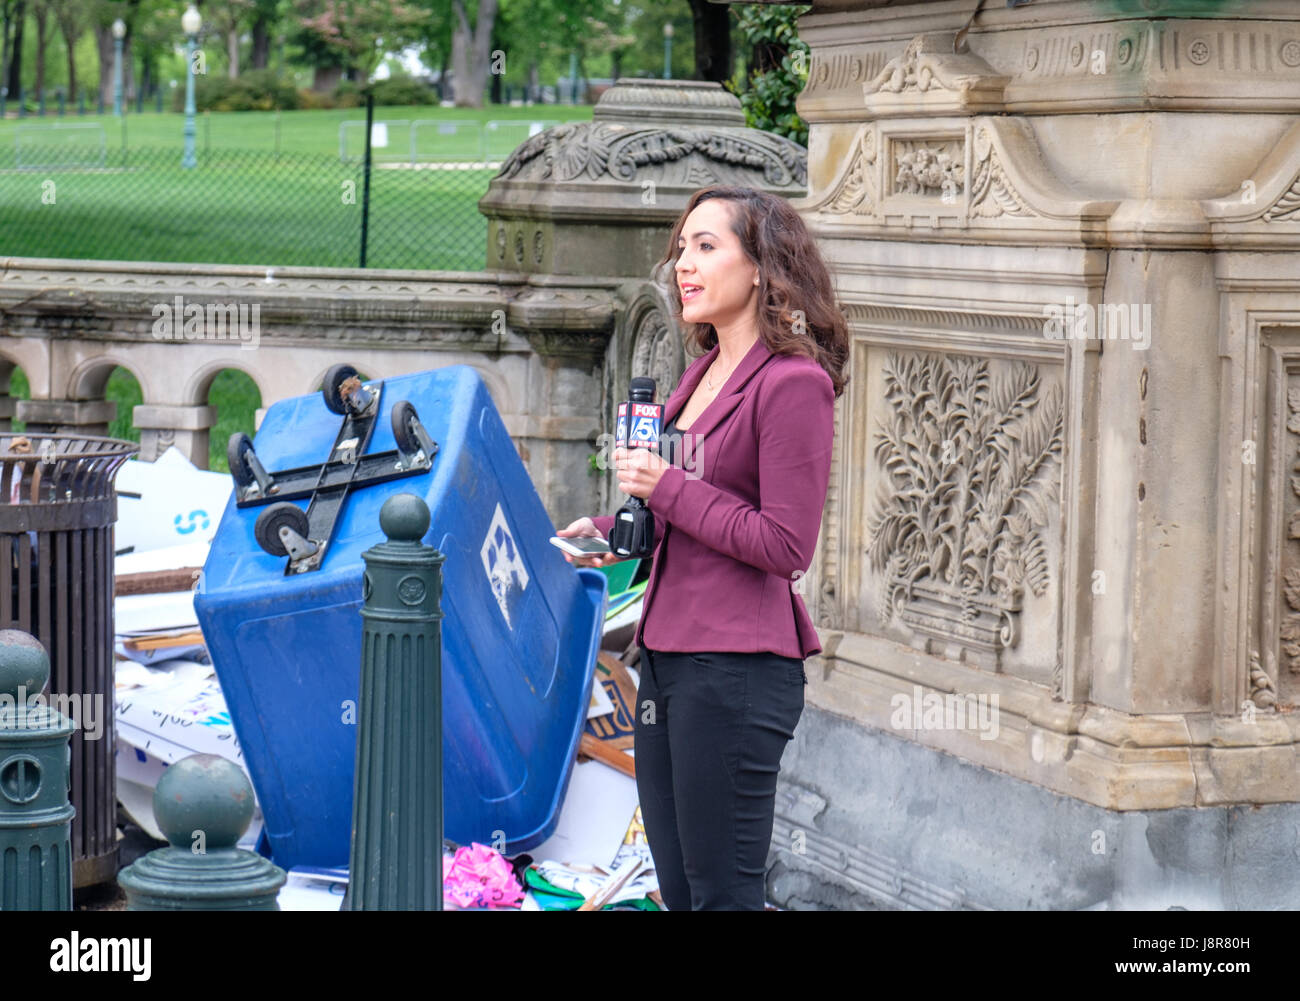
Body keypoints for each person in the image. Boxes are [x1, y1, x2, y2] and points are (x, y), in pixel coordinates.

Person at [557, 185, 849, 910]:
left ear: (762, 268)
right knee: (681, 889)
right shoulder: (698, 378)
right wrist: (603, 533)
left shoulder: (794, 384)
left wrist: (665, 489)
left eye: (706, 246)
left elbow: (786, 542)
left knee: (722, 892)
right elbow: (677, 510)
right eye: (682, 248)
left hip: (737, 671)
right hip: (667, 661)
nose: (684, 264)